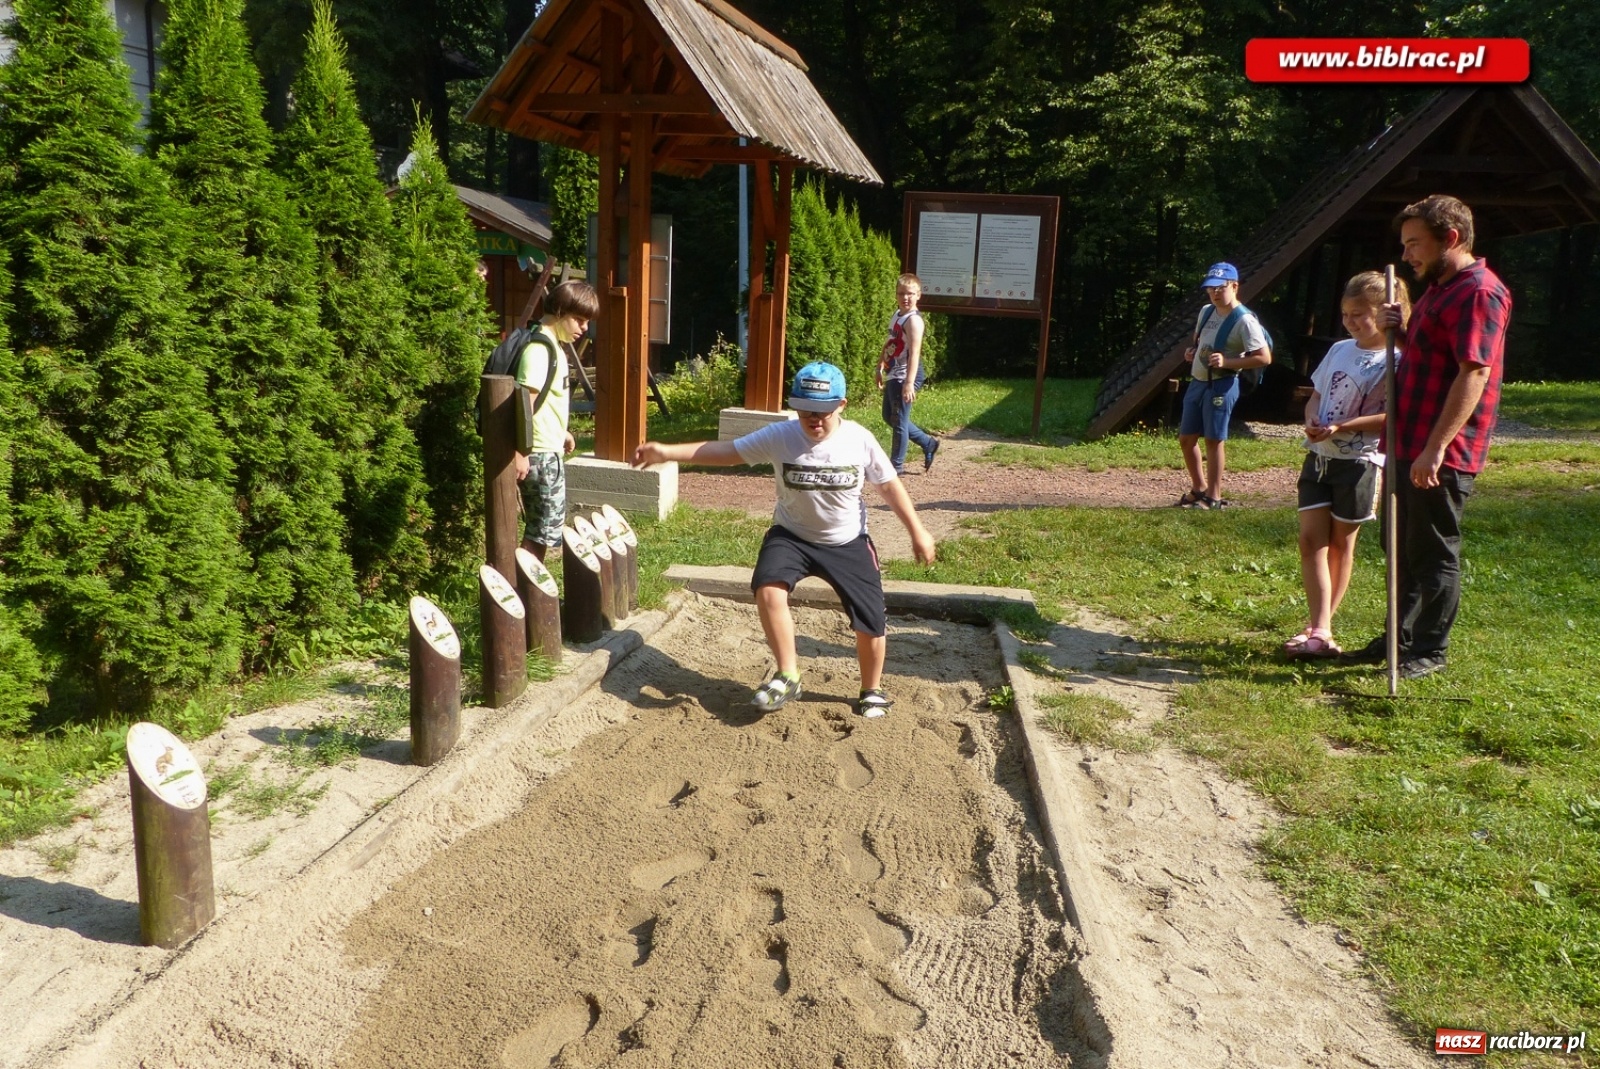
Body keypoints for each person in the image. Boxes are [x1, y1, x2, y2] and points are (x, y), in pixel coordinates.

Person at [632, 361, 937, 717]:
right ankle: (788, 674)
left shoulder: (858, 439)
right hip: (792, 536)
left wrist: (918, 531)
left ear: (842, 405)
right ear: (795, 406)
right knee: (768, 588)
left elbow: (888, 486)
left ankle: (871, 689)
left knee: (870, 620)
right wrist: (667, 452)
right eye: (806, 410)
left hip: (847, 541)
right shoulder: (781, 436)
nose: (814, 419)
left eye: (823, 411)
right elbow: (728, 453)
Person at [1345, 195, 1511, 679]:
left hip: (1440, 449)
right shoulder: (1441, 287)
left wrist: (1435, 448)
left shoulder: (1479, 291)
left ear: (1451, 238)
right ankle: (1398, 638)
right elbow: (1430, 356)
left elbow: (1472, 374)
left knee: (1432, 550)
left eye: (1415, 243)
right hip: (1407, 439)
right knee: (1400, 546)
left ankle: (1429, 651)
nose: (1408, 254)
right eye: (1405, 244)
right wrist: (1401, 332)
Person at [1283, 271, 1411, 658]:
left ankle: (1323, 628)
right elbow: (1316, 394)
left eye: (1360, 314)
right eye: (1345, 313)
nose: (1351, 322)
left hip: (1359, 463)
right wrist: (1311, 419)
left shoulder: (1397, 357)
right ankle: (1318, 624)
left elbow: (1392, 416)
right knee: (1310, 541)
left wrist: (1343, 426)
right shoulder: (1339, 349)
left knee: (1340, 545)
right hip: (1318, 459)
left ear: (1386, 313)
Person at [1175, 262, 1273, 509]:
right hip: (1198, 381)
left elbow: (1264, 357)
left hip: (1222, 384)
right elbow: (1201, 343)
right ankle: (1199, 488)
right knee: (1186, 438)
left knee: (1214, 440)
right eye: (1210, 288)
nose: (1215, 293)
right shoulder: (1206, 311)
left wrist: (1228, 362)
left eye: (1220, 288)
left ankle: (1214, 497)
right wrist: (1192, 352)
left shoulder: (1245, 320)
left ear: (1234, 286)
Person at [514, 280, 599, 562]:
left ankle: (529, 593)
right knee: (539, 533)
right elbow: (525, 404)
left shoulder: (554, 348)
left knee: (545, 531)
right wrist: (520, 451)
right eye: (579, 319)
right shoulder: (540, 350)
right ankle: (526, 594)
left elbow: (545, 402)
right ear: (560, 311)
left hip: (548, 448)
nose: (584, 328)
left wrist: (561, 432)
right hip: (536, 454)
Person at [876, 273, 939, 475]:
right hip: (894, 372)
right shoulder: (898, 314)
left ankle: (896, 467)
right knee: (889, 416)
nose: (905, 297)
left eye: (910, 294)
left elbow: (915, 352)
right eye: (901, 293)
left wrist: (909, 383)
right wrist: (880, 367)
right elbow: (890, 343)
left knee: (899, 421)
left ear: (918, 295)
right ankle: (927, 442)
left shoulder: (913, 321)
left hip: (906, 374)